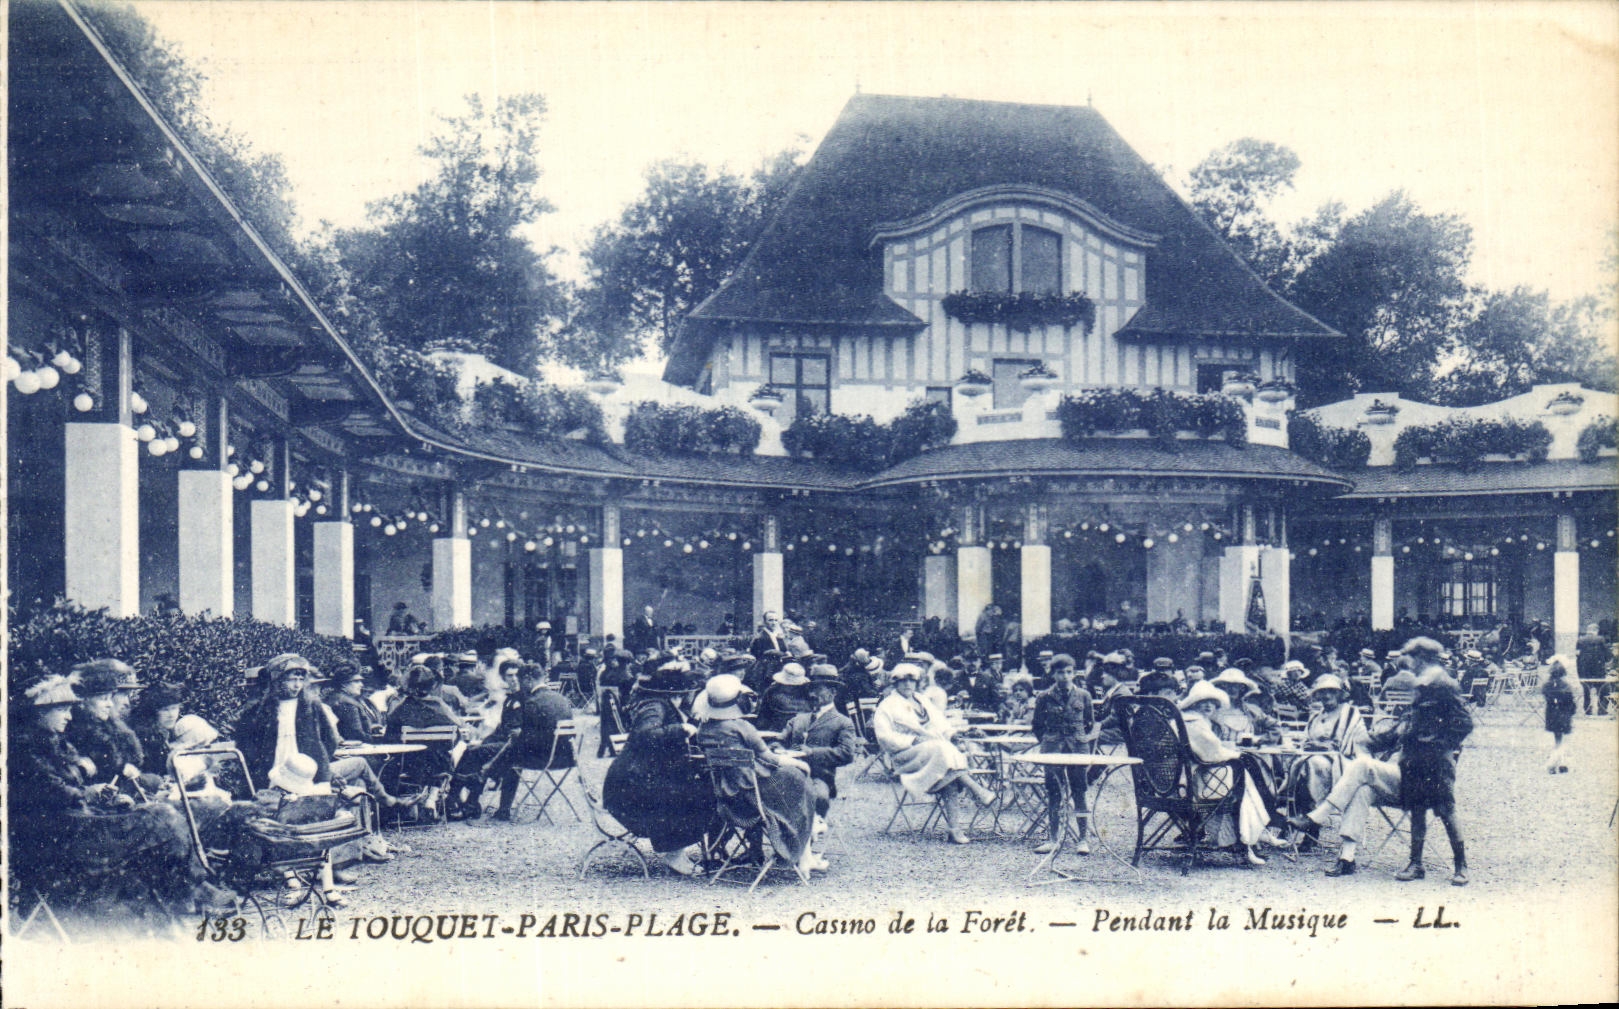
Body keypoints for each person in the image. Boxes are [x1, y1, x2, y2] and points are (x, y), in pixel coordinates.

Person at [10, 673, 231, 914]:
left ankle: (188, 890)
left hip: (78, 824)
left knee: (161, 817)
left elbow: (66, 791)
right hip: (60, 837)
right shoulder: (25, 750)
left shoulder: (55, 743)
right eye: (62, 710)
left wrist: (107, 798)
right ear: (40, 712)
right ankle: (191, 890)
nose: (69, 716)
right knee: (162, 817)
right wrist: (88, 793)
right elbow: (51, 792)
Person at [1291, 637, 1473, 884]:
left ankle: (1461, 866)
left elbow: (1464, 723)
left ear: (1422, 657)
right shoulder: (1422, 683)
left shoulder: (1443, 683)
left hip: (1435, 765)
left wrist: (1437, 743)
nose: (1407, 663)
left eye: (1411, 657)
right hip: (1410, 767)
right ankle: (1354, 858)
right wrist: (1371, 740)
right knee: (1366, 792)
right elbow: (1403, 728)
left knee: (1447, 812)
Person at [235, 654, 409, 809]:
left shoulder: (311, 706)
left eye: (301, 679)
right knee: (354, 783)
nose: (297, 685)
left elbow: (329, 739)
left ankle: (358, 830)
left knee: (353, 785)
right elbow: (247, 745)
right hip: (275, 771)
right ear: (277, 681)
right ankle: (385, 805)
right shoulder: (260, 710)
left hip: (310, 770)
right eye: (291, 680)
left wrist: (320, 762)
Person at [695, 674, 823, 876]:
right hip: (753, 798)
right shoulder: (742, 726)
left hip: (727, 797)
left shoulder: (703, 729)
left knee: (796, 784)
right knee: (800, 782)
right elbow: (769, 758)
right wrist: (798, 762)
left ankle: (806, 848)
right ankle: (805, 849)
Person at [603, 660, 713, 876]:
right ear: (678, 694)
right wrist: (681, 728)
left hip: (638, 778)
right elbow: (646, 734)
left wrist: (690, 722)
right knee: (687, 798)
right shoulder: (655, 706)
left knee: (691, 792)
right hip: (630, 786)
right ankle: (673, 854)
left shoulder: (663, 706)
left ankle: (676, 851)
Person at [872, 663, 995, 844]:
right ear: (895, 683)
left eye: (911, 680)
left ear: (917, 682)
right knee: (941, 748)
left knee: (949, 772)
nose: (907, 684)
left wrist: (952, 735)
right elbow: (884, 737)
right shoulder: (887, 705)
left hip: (934, 758)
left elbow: (940, 722)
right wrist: (912, 740)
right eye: (903, 681)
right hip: (906, 756)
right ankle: (977, 790)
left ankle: (954, 829)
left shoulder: (922, 700)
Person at [1178, 681, 1287, 866]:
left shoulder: (1191, 720)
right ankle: (1252, 838)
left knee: (1245, 775)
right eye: (1202, 702)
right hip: (1198, 782)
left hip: (1196, 777)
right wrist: (1236, 754)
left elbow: (1210, 750)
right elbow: (1211, 754)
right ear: (1193, 703)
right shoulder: (1194, 723)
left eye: (1212, 702)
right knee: (1243, 773)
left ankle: (1256, 835)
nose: (1208, 706)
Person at [780, 666, 859, 837]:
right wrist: (775, 746)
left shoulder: (842, 722)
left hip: (819, 777)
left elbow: (847, 753)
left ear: (832, 692)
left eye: (818, 690)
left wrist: (812, 753)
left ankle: (805, 838)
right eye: (811, 689)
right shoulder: (799, 719)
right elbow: (781, 739)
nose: (812, 694)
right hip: (789, 773)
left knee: (818, 797)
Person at [1289, 674, 1365, 850]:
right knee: (1298, 765)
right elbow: (1306, 739)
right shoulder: (1316, 716)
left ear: (1340, 694)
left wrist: (1322, 746)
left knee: (1313, 764)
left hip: (1343, 763)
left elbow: (1348, 744)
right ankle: (1303, 822)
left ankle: (1311, 827)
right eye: (1322, 692)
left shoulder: (1350, 712)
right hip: (1315, 761)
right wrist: (1310, 745)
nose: (1327, 696)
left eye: (1331, 691)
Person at [1030, 655, 1095, 856]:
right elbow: (1037, 725)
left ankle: (1083, 839)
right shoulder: (1044, 696)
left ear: (1074, 673)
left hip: (1077, 747)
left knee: (1079, 791)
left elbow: (1089, 723)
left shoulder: (1084, 695)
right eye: (1060, 672)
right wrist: (1049, 740)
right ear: (1053, 674)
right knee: (1054, 792)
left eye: (1068, 672)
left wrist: (1078, 738)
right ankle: (1053, 838)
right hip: (1053, 748)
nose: (1065, 676)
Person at [127, 681, 186, 778]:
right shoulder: (146, 736)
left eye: (174, 708)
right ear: (153, 712)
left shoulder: (176, 731)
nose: (171, 715)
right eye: (165, 710)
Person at [326, 666, 385, 743]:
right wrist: (381, 740)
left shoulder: (335, 697)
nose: (361, 685)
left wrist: (369, 728)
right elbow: (356, 735)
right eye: (356, 681)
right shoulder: (348, 703)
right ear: (344, 684)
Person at [1542, 655, 1577, 774]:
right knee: (1564, 740)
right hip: (1564, 714)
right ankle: (1559, 763)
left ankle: (1557, 762)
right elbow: (1571, 703)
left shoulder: (1547, 686)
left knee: (1557, 739)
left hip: (1551, 714)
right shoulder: (1566, 686)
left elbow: (1547, 698)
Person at [759, 661, 813, 733]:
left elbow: (763, 718)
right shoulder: (772, 691)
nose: (791, 688)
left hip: (785, 731)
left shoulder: (772, 691)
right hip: (787, 731)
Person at [1577, 624, 1611, 715]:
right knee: (1603, 689)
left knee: (1586, 691)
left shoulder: (1580, 640)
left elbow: (1578, 657)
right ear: (1596, 630)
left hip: (1584, 671)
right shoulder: (1600, 639)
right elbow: (1607, 655)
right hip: (1598, 670)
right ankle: (1602, 709)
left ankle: (1587, 710)